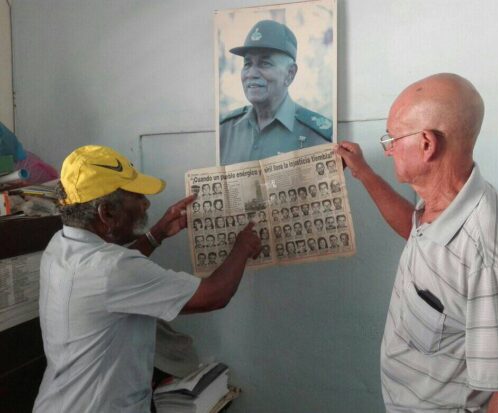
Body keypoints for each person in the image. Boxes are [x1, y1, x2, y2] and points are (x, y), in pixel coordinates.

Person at [335, 73, 498, 412]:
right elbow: (416, 230)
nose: (387, 150)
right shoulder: (442, 202)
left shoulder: (487, 248)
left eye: (392, 138)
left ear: (426, 145)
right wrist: (364, 173)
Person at [33, 145, 261, 413]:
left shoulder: (61, 245)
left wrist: (157, 234)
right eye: (137, 196)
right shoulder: (112, 269)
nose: (146, 203)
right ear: (106, 213)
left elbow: (112, 282)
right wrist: (242, 247)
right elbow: (214, 295)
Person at [219, 20, 332, 165]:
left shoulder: (319, 135)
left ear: (290, 74)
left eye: (265, 63)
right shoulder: (226, 130)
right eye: (247, 64)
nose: (251, 73)